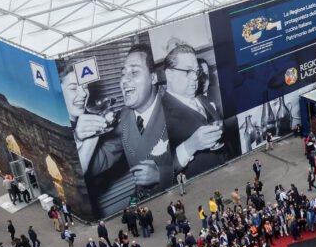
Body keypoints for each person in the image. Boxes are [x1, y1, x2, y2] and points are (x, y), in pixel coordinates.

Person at [86, 44, 174, 200]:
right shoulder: (123, 118)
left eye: (134, 72)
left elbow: (208, 165)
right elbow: (96, 164)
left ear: (153, 78)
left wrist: (162, 174)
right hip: (139, 201)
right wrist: (89, 137)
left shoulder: (174, 108)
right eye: (123, 73)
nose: (124, 80)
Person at [160, 42, 230, 176]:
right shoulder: (160, 115)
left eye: (196, 72)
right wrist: (190, 146)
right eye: (187, 71)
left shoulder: (201, 98)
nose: (195, 78)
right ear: (169, 74)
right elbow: (161, 173)